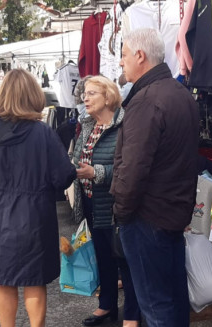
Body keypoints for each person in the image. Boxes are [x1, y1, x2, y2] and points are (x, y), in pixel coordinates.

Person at [0, 69, 76, 327]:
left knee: (3, 278)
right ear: (33, 95)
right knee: (34, 278)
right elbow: (64, 175)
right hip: (35, 214)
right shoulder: (42, 132)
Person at [112, 28, 200, 326]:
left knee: (156, 305)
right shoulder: (179, 94)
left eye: (123, 55)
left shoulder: (147, 100)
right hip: (171, 214)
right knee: (173, 303)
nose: (120, 63)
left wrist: (121, 213)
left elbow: (133, 169)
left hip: (146, 217)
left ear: (140, 56)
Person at [71, 76, 139, 327]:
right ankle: (107, 305)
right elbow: (78, 157)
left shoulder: (125, 124)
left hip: (116, 204)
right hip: (91, 202)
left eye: (91, 94)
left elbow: (130, 167)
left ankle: (132, 314)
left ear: (108, 96)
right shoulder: (88, 125)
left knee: (125, 260)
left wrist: (96, 172)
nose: (84, 98)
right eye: (84, 94)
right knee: (103, 256)